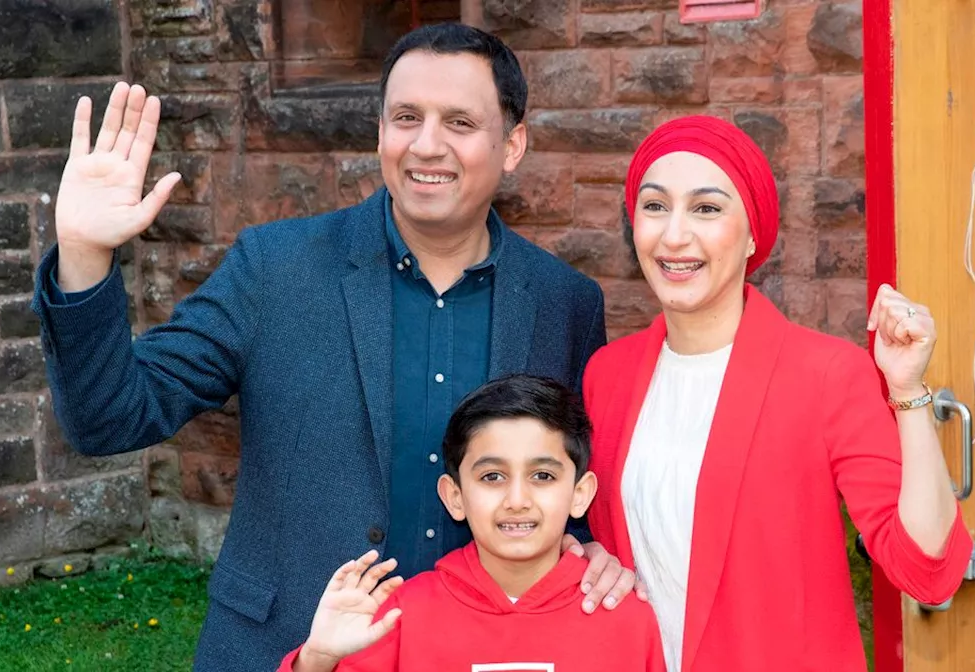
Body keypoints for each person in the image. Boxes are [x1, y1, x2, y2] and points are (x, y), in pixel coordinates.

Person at [32, 23, 635, 671]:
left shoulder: (564, 302)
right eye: (406, 117)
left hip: (474, 654)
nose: (426, 145)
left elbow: (565, 479)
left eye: (459, 122)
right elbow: (108, 417)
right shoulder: (273, 269)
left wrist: (589, 546)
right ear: (380, 131)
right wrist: (86, 255)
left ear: (512, 144)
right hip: (285, 645)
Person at [582, 116, 974, 671]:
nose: (673, 235)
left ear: (751, 237)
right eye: (654, 206)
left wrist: (907, 390)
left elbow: (927, 570)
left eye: (706, 208)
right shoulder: (607, 376)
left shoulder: (825, 374)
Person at [279, 375, 664, 672]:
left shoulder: (627, 617)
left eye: (542, 476)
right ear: (455, 496)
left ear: (580, 493)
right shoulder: (399, 616)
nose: (517, 501)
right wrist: (316, 659)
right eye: (492, 477)